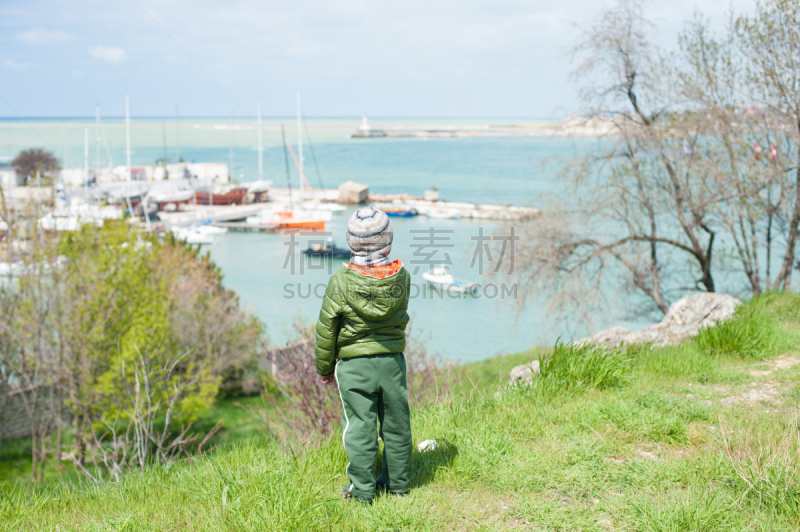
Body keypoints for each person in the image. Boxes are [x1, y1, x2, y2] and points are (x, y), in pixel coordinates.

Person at [315, 206, 412, 503]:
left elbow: (326, 328)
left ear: (351, 243)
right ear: (389, 242)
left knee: (360, 428)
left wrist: (324, 368)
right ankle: (398, 486)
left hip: (354, 365)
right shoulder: (402, 276)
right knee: (397, 424)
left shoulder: (340, 281)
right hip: (393, 361)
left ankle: (362, 491)